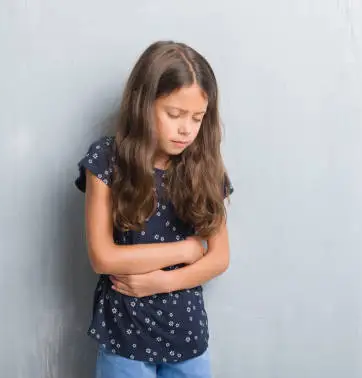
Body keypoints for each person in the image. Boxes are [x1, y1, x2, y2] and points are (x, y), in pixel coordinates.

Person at [74, 41, 234, 378]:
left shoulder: (205, 169)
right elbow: (103, 257)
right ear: (143, 105)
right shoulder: (106, 161)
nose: (186, 129)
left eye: (197, 118)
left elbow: (219, 258)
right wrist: (188, 249)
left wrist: (162, 282)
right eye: (174, 114)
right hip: (124, 336)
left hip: (186, 336)